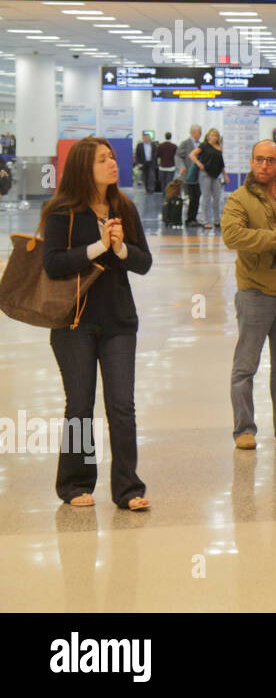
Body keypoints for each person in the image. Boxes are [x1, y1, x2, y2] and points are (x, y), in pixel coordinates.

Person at [39, 137, 152, 511]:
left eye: (112, 158)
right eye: (103, 159)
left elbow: (143, 262)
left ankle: (128, 488)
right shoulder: (61, 211)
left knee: (122, 405)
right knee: (80, 405)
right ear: (83, 167)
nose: (112, 164)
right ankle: (74, 484)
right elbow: (53, 263)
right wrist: (99, 247)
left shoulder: (124, 207)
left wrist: (120, 248)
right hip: (74, 323)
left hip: (119, 321)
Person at [221, 140, 276, 450]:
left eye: (270, 160)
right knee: (245, 367)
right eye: (259, 160)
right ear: (252, 163)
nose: (265, 166)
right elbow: (232, 235)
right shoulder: (238, 199)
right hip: (255, 292)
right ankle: (244, 429)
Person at [190, 128, 228, 229]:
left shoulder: (219, 147)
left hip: (216, 174)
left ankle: (217, 220)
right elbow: (192, 154)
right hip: (205, 173)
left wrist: (225, 175)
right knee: (206, 197)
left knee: (217, 198)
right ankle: (205, 220)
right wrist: (199, 164)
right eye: (212, 135)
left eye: (216, 136)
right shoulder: (204, 145)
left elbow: (221, 163)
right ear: (208, 136)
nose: (214, 137)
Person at [176, 125, 203, 227]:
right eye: (199, 132)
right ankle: (189, 219)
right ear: (194, 133)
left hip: (198, 176)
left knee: (197, 196)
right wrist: (181, 167)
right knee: (192, 197)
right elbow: (178, 156)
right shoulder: (185, 143)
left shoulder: (201, 145)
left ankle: (194, 218)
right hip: (188, 175)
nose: (200, 135)